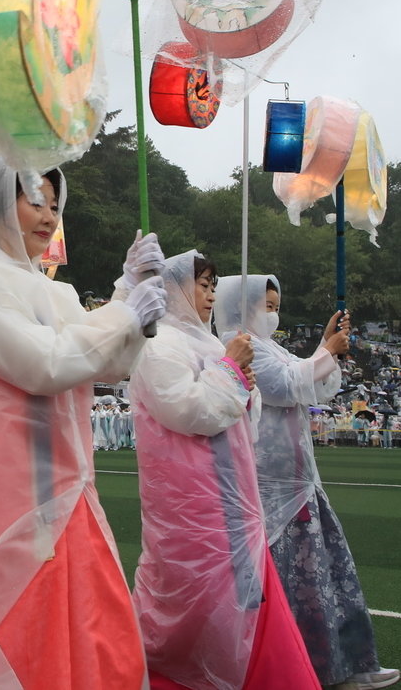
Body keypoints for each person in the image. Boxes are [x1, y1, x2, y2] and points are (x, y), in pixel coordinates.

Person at [0, 153, 167, 690]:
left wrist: (128, 294)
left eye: (55, 205)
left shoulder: (55, 290)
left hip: (60, 492)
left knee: (77, 637)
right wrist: (125, 312)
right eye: (34, 200)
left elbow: (106, 361)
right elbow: (43, 363)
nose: (48, 215)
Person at [130, 252, 319, 690]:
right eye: (202, 284)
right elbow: (190, 410)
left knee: (244, 592)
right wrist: (232, 370)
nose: (211, 294)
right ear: (176, 288)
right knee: (198, 594)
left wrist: (242, 383)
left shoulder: (213, 344)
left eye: (214, 285)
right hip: (191, 499)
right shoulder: (159, 344)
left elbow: (238, 414)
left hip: (235, 492)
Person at [215, 275, 400, 690]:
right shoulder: (239, 346)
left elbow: (315, 387)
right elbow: (282, 386)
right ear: (242, 306)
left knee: (328, 579)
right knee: (293, 586)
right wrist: (324, 351)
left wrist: (326, 347)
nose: (274, 314)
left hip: (298, 482)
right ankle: (297, 670)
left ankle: (345, 664)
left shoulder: (271, 346)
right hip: (267, 488)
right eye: (267, 305)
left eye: (277, 305)